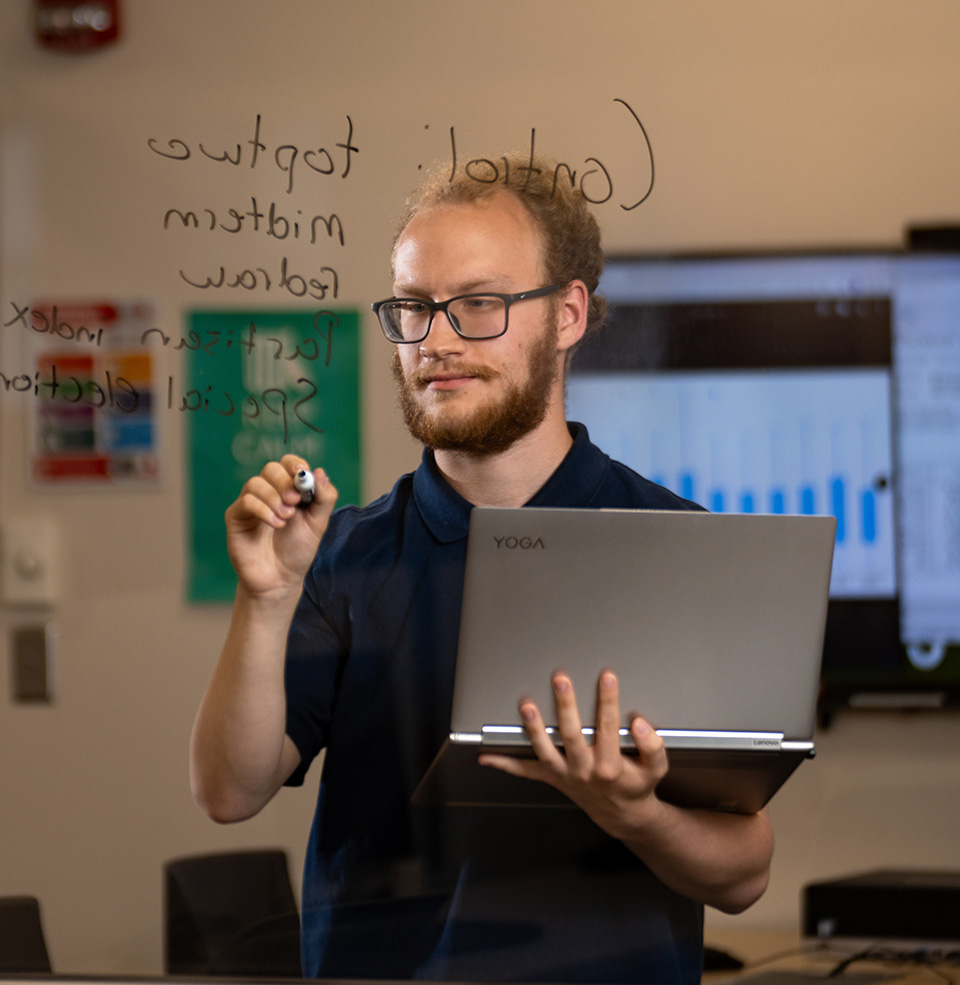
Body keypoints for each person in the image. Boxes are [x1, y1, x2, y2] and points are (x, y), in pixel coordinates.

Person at [190, 152, 774, 983]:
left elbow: (744, 871)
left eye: (479, 305)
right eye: (414, 308)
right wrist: (268, 595)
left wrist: (636, 813)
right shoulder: (343, 554)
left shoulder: (677, 548)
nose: (436, 341)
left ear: (568, 314)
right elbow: (227, 790)